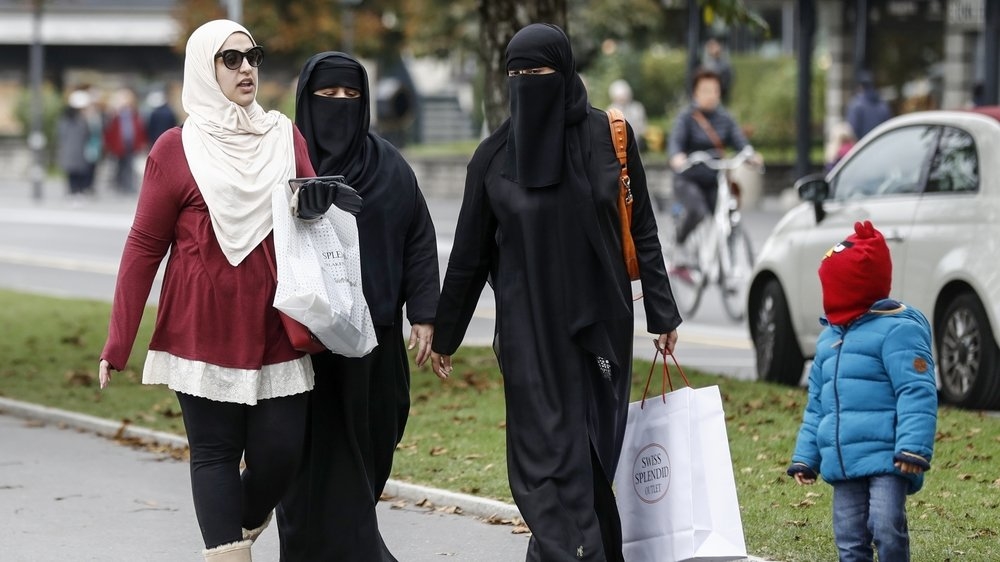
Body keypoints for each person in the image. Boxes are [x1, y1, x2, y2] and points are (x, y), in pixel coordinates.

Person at [97, 19, 349, 561]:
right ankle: (227, 550)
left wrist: (316, 202)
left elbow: (310, 216)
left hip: (276, 324)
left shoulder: (284, 135)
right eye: (230, 59)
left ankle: (243, 520)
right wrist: (118, 343)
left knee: (281, 451)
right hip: (199, 325)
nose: (246, 69)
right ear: (203, 69)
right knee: (213, 453)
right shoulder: (175, 148)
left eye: (252, 57)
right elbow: (144, 246)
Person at [429, 23, 681, 562]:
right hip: (528, 331)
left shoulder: (606, 137)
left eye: (538, 73)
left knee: (590, 459)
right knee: (545, 462)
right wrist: (445, 333)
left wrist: (662, 312)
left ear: (564, 73)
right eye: (516, 74)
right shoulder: (493, 157)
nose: (527, 83)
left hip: (601, 327)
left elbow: (643, 228)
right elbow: (470, 255)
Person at [276, 52, 440, 561]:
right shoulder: (284, 164)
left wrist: (426, 315)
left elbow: (419, 237)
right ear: (307, 99)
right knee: (311, 459)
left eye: (352, 97)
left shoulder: (389, 166)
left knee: (374, 442)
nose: (340, 107)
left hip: (379, 339)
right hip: (306, 344)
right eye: (328, 97)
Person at [787, 220, 937, 562]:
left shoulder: (898, 332)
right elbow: (817, 405)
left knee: (886, 526)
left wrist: (913, 447)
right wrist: (806, 456)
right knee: (849, 538)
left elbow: (917, 392)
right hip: (843, 458)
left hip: (887, 458)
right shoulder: (830, 340)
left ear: (857, 287)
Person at [667, 68, 760, 264]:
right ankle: (680, 244)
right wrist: (678, 157)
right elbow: (676, 143)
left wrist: (751, 155)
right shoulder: (686, 118)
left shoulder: (725, 118)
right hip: (689, 178)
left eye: (715, 90)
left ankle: (729, 262)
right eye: (706, 90)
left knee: (730, 216)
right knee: (697, 211)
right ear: (696, 93)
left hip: (714, 179)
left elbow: (740, 142)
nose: (711, 95)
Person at [103, 87, 148, 194]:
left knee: (129, 166)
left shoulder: (135, 115)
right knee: (119, 166)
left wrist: (141, 143)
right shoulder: (115, 116)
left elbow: (140, 130)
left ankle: (128, 186)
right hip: (119, 146)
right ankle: (120, 185)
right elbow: (110, 132)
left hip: (131, 145)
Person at [56, 90, 96, 200]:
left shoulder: (67, 120)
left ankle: (75, 191)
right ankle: (75, 191)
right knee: (75, 173)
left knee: (74, 173)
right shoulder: (79, 120)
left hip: (74, 151)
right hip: (76, 151)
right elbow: (87, 134)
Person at [846, 70, 892, 140]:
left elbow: (852, 131)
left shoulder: (856, 105)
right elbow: (889, 127)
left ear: (860, 86)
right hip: (881, 145)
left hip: (864, 147)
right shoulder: (883, 105)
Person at [608, 79, 648, 152]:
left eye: (624, 95)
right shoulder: (610, 111)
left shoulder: (637, 108)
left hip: (636, 146)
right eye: (620, 96)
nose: (623, 98)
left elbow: (643, 128)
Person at [701, 38, 733, 104]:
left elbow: (729, 78)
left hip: (722, 95)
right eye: (710, 47)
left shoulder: (725, 63)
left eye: (714, 46)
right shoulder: (706, 64)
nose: (713, 49)